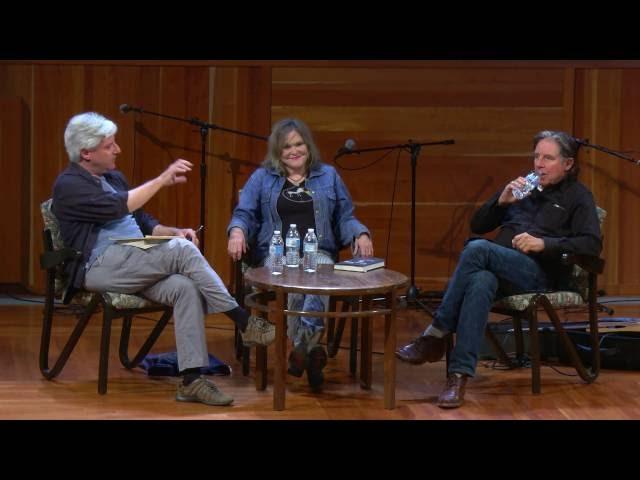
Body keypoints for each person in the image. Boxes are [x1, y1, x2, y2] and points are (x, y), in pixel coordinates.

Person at [52, 112, 276, 407]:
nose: (117, 149)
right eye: (110, 146)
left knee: (184, 287)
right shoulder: (68, 184)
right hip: (100, 265)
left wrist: (172, 231)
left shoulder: (113, 177)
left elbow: (141, 220)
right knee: (180, 251)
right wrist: (161, 180)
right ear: (86, 153)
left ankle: (192, 381)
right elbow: (117, 206)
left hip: (135, 259)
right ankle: (243, 321)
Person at [396, 130, 602, 408]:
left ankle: (435, 334)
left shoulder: (578, 197)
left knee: (477, 249)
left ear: (567, 164)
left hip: (540, 274)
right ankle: (458, 377)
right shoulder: (523, 188)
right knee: (480, 280)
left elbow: (591, 244)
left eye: (548, 158)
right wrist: (501, 201)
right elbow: (478, 225)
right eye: (536, 156)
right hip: (500, 268)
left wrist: (545, 244)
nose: (539, 164)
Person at [227, 117, 374, 390]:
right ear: (277, 152)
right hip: (275, 252)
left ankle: (301, 348)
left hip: (319, 251)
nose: (293, 151)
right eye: (286, 147)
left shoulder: (328, 176)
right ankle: (309, 350)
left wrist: (360, 233)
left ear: (308, 146)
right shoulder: (263, 178)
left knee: (315, 275)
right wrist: (237, 232)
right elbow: (244, 213)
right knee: (294, 276)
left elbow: (345, 217)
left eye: (298, 144)